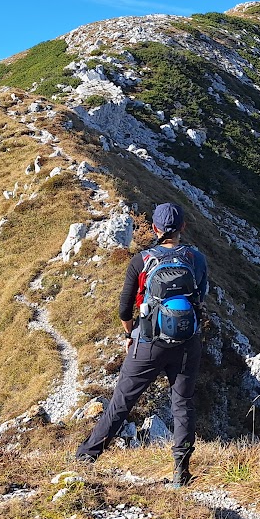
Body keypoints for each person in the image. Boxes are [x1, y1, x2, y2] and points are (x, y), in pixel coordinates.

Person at [76, 201, 208, 487]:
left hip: (148, 342)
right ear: (183, 227)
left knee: (122, 400)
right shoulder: (196, 259)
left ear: (154, 228)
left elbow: (125, 309)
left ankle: (88, 456)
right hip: (187, 340)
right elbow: (200, 299)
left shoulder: (142, 260)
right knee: (182, 403)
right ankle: (180, 470)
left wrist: (129, 334)